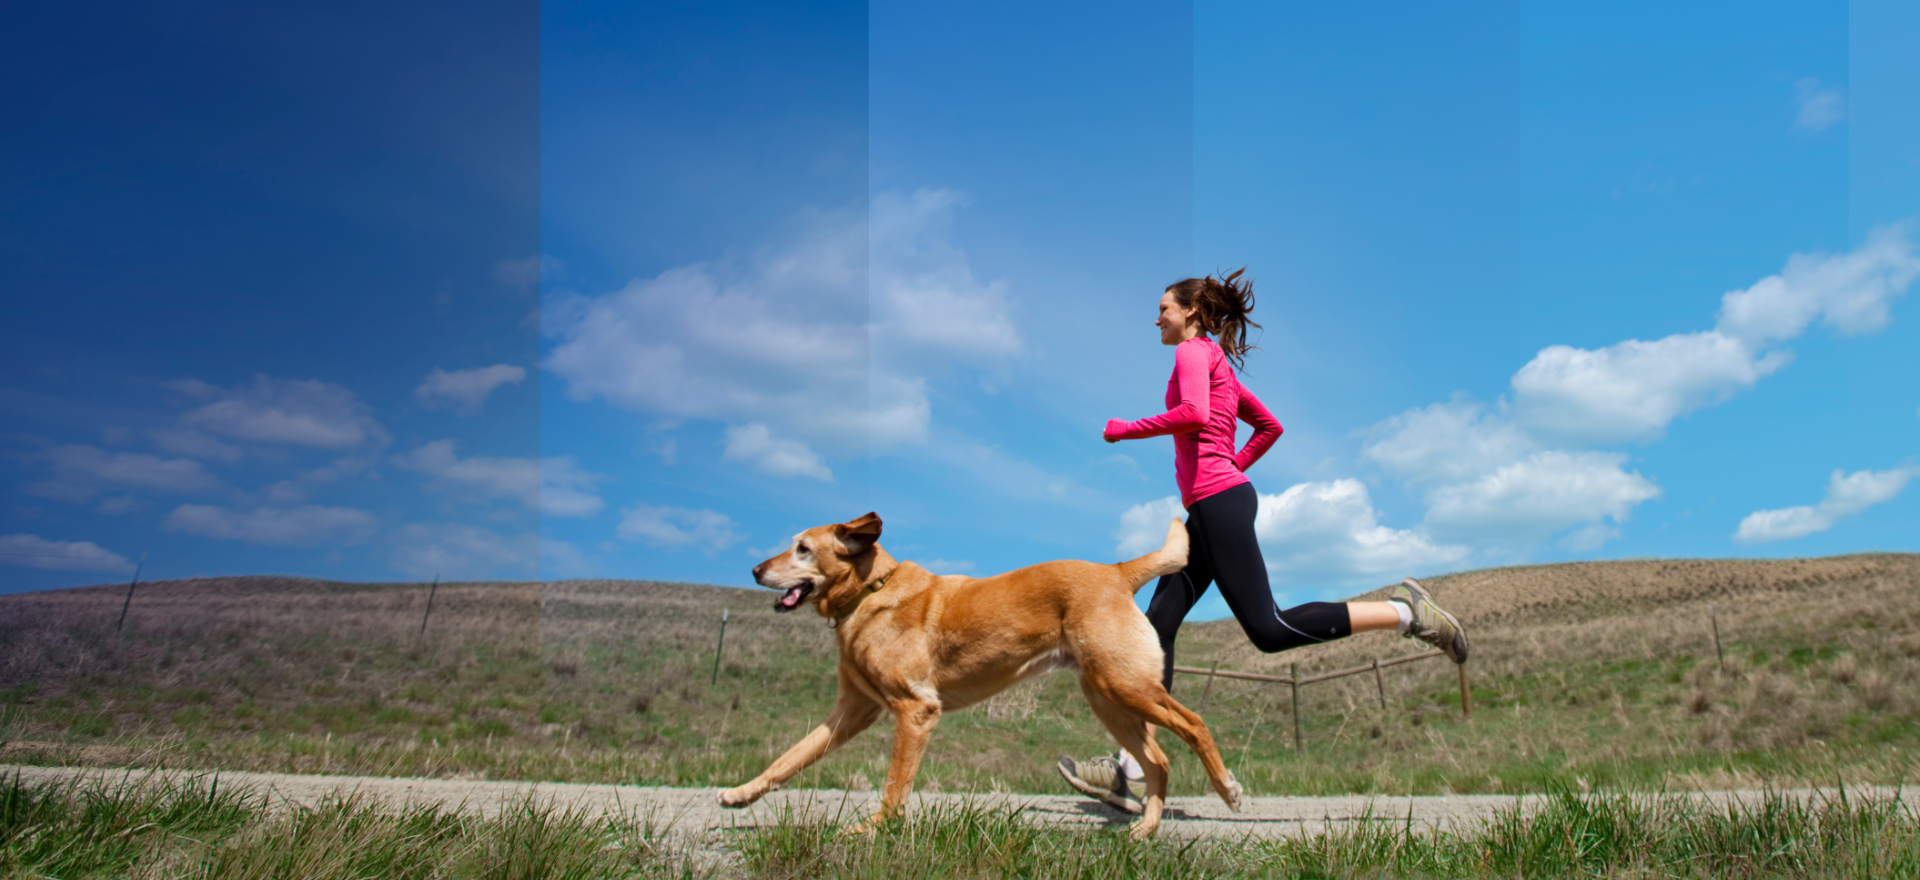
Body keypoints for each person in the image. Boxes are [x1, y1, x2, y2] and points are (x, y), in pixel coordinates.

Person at [1055, 269, 1469, 814]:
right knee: (1157, 626)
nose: (1155, 318)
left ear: (1191, 312)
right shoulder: (1216, 362)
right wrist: (1229, 470)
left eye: (1163, 308)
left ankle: (1407, 613)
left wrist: (1125, 428)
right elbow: (1269, 426)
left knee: (1268, 629)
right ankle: (1130, 769)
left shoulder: (1191, 355)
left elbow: (1196, 415)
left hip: (1218, 504)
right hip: (1212, 504)